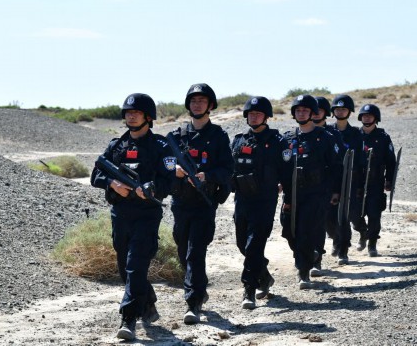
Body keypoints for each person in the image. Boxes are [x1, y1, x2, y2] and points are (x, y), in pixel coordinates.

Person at [90, 93, 176, 341]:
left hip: (146, 215)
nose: (131, 115)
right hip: (120, 214)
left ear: (148, 117)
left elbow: (169, 181)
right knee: (125, 270)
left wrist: (150, 188)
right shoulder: (116, 146)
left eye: (136, 112)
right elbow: (96, 175)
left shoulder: (161, 147)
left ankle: (128, 319)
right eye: (128, 112)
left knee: (136, 266)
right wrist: (112, 184)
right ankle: (147, 301)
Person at [168, 83, 234, 324]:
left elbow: (228, 169)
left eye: (202, 101)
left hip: (204, 203)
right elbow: (163, 163)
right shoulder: (176, 136)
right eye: (193, 101)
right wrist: (172, 170)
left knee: (196, 251)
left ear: (210, 106)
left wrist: (208, 175)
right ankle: (199, 289)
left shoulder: (218, 137)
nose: (197, 104)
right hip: (180, 203)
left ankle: (192, 302)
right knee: (183, 250)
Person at [231, 96, 291, 309]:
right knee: (242, 244)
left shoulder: (278, 141)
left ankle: (249, 289)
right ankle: (264, 277)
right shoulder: (238, 140)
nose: (254, 117)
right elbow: (230, 169)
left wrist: (289, 200)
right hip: (242, 201)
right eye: (250, 114)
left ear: (266, 116)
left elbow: (287, 173)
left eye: (258, 114)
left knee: (254, 244)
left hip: (265, 201)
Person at [281, 95, 342, 290]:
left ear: (312, 113)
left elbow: (335, 167)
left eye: (305, 110)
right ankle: (308, 255)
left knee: (306, 230)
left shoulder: (324, 137)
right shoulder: (287, 138)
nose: (301, 113)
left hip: (317, 193)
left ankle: (303, 270)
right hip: (292, 193)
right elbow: (280, 166)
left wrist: (335, 191)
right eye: (298, 110)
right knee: (289, 230)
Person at [311, 97, 347, 274]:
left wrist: (336, 190)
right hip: (306, 189)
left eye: (320, 110)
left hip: (327, 188)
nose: (316, 113)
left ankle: (336, 242)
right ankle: (311, 259)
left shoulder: (333, 136)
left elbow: (338, 165)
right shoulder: (300, 134)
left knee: (328, 222)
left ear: (326, 113)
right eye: (313, 110)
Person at [355, 103, 396, 257]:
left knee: (374, 213)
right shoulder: (355, 135)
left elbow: (391, 162)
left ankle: (372, 243)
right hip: (357, 182)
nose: (367, 118)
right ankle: (362, 232)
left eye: (370, 116)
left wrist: (389, 180)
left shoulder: (383, 137)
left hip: (376, 181)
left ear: (376, 118)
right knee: (355, 213)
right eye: (364, 115)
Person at [330, 94, 366, 264]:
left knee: (347, 215)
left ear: (349, 111)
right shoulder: (327, 132)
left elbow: (360, 160)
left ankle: (343, 249)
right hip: (332, 180)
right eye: (337, 108)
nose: (340, 111)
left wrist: (359, 185)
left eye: (344, 109)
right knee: (330, 216)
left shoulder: (356, 134)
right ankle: (336, 241)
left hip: (351, 180)